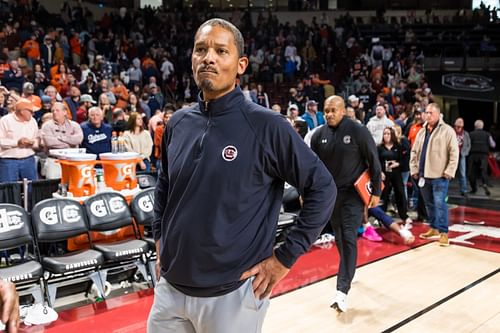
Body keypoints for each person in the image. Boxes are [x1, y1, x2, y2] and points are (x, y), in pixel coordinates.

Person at [148, 18, 336, 333]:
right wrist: (159, 240)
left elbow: (323, 188)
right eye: (201, 49)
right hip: (170, 290)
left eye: (221, 51)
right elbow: (164, 186)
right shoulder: (178, 122)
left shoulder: (267, 126)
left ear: (241, 65)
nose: (208, 57)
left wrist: (285, 257)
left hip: (232, 294)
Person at [310, 95, 382, 313]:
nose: (329, 114)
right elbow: (313, 167)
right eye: (326, 110)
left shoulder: (357, 130)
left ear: (343, 111)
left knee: (348, 235)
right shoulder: (318, 135)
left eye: (333, 110)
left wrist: (376, 192)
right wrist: (308, 191)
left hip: (353, 194)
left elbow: (374, 160)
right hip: (331, 196)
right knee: (340, 237)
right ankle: (349, 270)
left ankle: (342, 291)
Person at [410, 103, 459, 247]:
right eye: (426, 112)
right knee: (428, 204)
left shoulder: (447, 130)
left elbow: (454, 153)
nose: (427, 115)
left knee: (439, 204)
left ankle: (443, 232)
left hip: (440, 176)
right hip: (423, 176)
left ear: (438, 114)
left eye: (430, 112)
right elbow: (414, 151)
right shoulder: (421, 130)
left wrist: (450, 171)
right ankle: (434, 228)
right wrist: (413, 169)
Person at [378, 127, 412, 226]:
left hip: (396, 173)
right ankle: (380, 216)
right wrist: (380, 172)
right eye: (384, 134)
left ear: (392, 135)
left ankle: (404, 215)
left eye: (388, 134)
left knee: (400, 192)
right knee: (383, 195)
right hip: (384, 174)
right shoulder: (379, 148)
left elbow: (405, 158)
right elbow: (376, 161)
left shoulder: (398, 146)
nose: (386, 136)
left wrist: (398, 164)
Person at [40, 102, 84, 178]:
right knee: (53, 185)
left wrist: (61, 138)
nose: (54, 112)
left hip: (71, 160)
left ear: (65, 112)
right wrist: (70, 143)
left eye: (57, 110)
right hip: (53, 161)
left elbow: (78, 140)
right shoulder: (46, 126)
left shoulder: (75, 125)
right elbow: (49, 142)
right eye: (53, 110)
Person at [0, 98, 39, 183]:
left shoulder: (33, 121)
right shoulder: (5, 121)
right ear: (22, 111)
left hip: (29, 160)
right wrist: (17, 143)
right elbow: (1, 141)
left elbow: (36, 137)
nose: (33, 114)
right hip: (9, 161)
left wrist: (34, 143)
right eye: (31, 112)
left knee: (32, 188)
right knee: (9, 190)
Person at [469, 119, 496, 195]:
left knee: (472, 172)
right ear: (482, 126)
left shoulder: (471, 134)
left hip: (473, 154)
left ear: (475, 126)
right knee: (483, 171)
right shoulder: (487, 134)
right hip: (484, 155)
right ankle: (485, 183)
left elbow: (467, 144)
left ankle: (474, 189)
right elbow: (493, 145)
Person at [453, 118, 471, 196]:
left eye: (460, 126)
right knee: (448, 172)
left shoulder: (465, 134)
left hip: (461, 155)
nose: (459, 128)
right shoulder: (451, 132)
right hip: (452, 155)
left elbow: (468, 144)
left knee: (462, 173)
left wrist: (465, 152)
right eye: (458, 126)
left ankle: (463, 190)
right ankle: (444, 190)